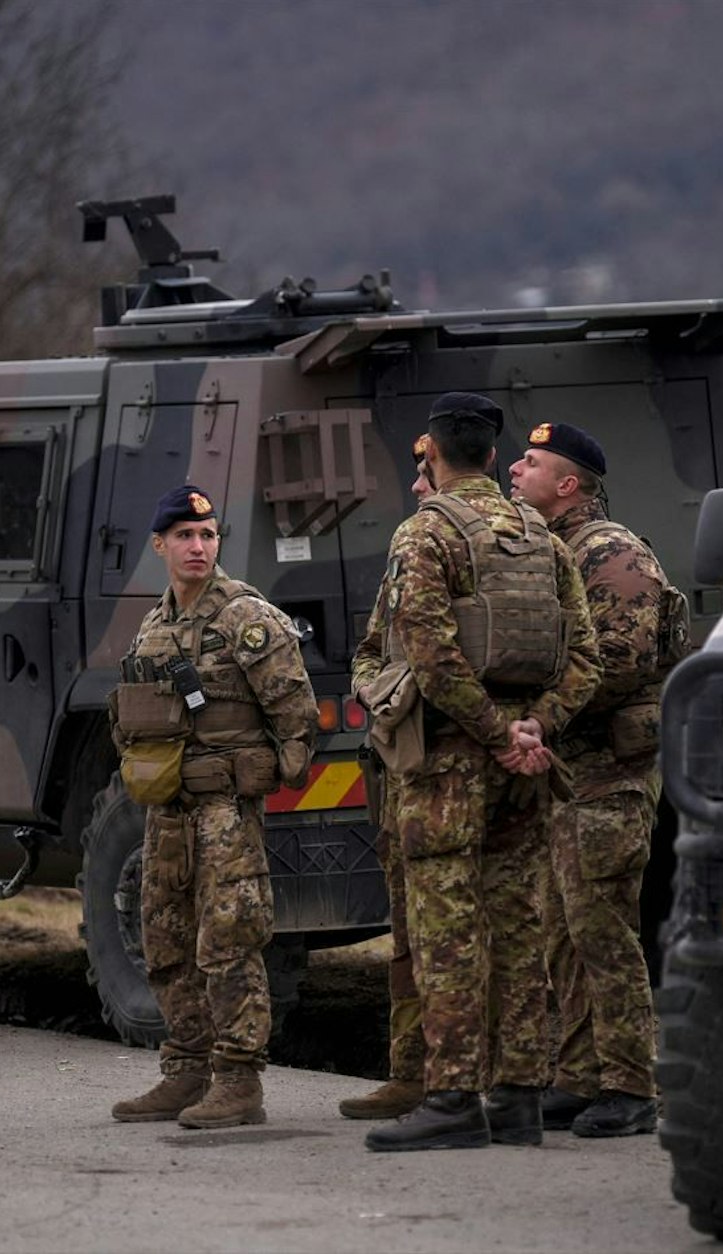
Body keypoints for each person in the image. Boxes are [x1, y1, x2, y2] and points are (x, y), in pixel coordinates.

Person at [364, 393, 599, 1152]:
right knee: (519, 927)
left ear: (429, 451)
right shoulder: (543, 537)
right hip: (522, 765)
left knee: (448, 931)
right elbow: (585, 658)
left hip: (447, 766)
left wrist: (496, 733)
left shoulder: (425, 532)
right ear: (495, 457)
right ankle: (520, 1100)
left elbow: (429, 656)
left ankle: (455, 1097)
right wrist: (537, 728)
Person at [108, 485, 318, 1130]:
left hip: (224, 810)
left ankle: (238, 1081)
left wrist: (257, 776)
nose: (197, 547)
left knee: (229, 941)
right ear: (160, 546)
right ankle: (186, 1071)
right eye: (184, 537)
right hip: (167, 809)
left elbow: (296, 714)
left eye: (207, 536)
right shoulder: (154, 625)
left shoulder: (246, 617)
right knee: (165, 939)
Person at [508, 421, 674, 1137]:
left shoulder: (611, 553)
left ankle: (633, 1086)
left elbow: (620, 661)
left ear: (569, 483)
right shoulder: (552, 551)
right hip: (567, 776)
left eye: (533, 461)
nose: (516, 468)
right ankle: (578, 1077)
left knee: (603, 930)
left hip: (610, 773)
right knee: (561, 931)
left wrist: (538, 713)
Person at [338, 435, 437, 1121]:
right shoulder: (410, 545)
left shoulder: (500, 544)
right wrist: (380, 693)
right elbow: (374, 646)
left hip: (454, 768)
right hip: (401, 762)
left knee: (465, 930)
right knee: (409, 926)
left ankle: (486, 1079)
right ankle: (412, 1072)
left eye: (423, 473)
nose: (416, 487)